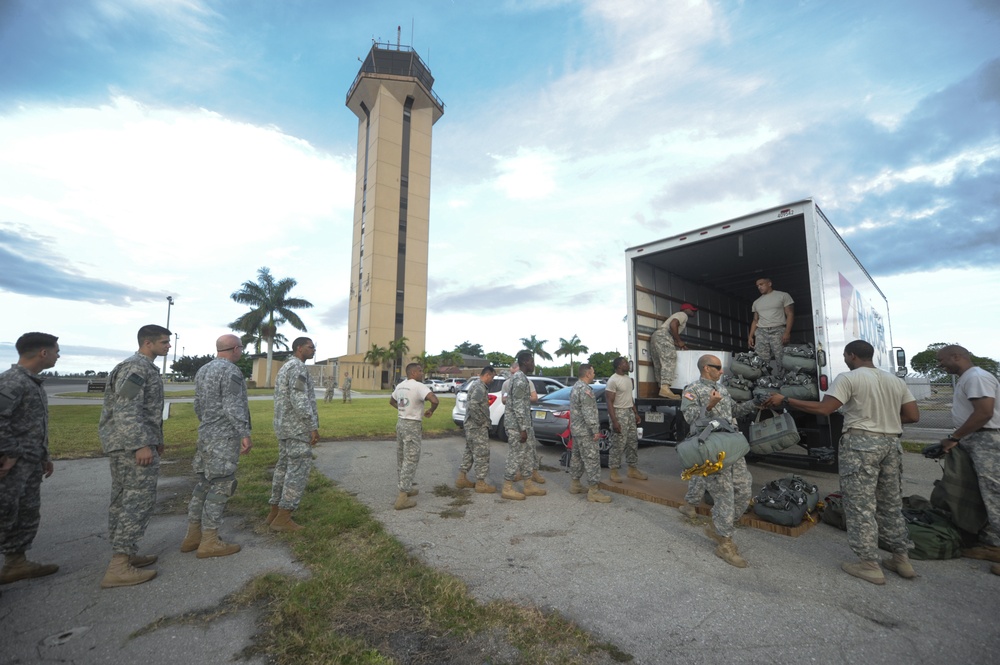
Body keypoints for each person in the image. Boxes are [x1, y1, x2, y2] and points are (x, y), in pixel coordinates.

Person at [764, 340, 919, 584]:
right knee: (890, 503)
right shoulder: (895, 381)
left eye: (846, 355)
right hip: (891, 444)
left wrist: (787, 400)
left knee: (860, 504)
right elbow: (912, 416)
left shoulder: (848, 378)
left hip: (861, 444)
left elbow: (825, 409)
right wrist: (883, 417)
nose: (845, 359)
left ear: (852, 355)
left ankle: (869, 564)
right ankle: (901, 559)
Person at [98, 324, 171, 588]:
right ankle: (118, 565)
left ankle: (126, 554)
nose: (168, 346)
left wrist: (156, 441)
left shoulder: (144, 367)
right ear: (147, 343)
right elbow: (127, 409)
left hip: (130, 444)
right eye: (164, 342)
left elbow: (147, 410)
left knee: (124, 498)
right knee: (135, 500)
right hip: (130, 447)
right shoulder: (135, 368)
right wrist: (140, 444)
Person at [680, 354, 756, 568]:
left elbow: (736, 410)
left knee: (743, 490)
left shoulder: (722, 389)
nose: (722, 371)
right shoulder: (692, 390)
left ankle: (720, 525)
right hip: (713, 449)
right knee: (724, 494)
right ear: (706, 368)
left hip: (732, 446)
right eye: (718, 367)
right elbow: (691, 419)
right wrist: (710, 406)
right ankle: (725, 543)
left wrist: (754, 403)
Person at [180, 335, 252, 558]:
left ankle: (193, 536)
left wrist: (208, 424)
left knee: (203, 483)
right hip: (224, 436)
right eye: (241, 347)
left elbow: (198, 404)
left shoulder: (203, 370)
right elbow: (233, 404)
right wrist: (244, 432)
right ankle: (209, 539)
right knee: (222, 483)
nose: (242, 351)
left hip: (206, 433)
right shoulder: (230, 371)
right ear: (234, 349)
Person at [0, 332, 60, 586]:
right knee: (3, 512)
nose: (58, 355)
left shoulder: (32, 382)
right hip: (10, 464)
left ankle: (16, 563)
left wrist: (43, 456)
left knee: (23, 514)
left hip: (30, 462)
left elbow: (33, 425)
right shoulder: (12, 381)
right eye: (56, 351)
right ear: (43, 353)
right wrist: (9, 452)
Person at [935, 345, 1000, 574]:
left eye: (942, 360)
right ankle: (992, 544)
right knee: (982, 494)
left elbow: (984, 413)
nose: (940, 365)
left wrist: (954, 437)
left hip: (986, 441)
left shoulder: (977, 377)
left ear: (957, 356)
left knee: (994, 494)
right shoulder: (967, 378)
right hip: (974, 439)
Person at [268, 337, 319, 532]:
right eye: (310, 347)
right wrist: (311, 426)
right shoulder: (297, 367)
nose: (313, 350)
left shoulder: (285, 367)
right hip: (297, 428)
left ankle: (274, 511)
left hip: (284, 427)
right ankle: (284, 516)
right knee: (297, 470)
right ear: (299, 348)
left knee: (282, 468)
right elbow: (299, 399)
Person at [389, 363, 438, 510]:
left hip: (401, 422)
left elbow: (392, 401)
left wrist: (404, 409)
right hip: (412, 424)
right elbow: (435, 400)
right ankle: (402, 497)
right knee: (411, 459)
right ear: (414, 372)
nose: (422, 373)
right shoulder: (418, 386)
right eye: (421, 370)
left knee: (402, 457)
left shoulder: (401, 385)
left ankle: (406, 487)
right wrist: (431, 410)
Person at [502, 351, 547, 500]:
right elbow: (518, 406)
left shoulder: (520, 378)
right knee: (515, 455)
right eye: (532, 361)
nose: (534, 364)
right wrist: (522, 428)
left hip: (522, 424)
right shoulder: (520, 380)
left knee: (527, 455)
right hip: (517, 426)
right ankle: (507, 487)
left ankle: (528, 485)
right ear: (526, 362)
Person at [568, 364, 612, 503]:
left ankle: (575, 484)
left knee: (577, 457)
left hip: (577, 430)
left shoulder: (576, 387)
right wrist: (595, 430)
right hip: (585, 431)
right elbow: (588, 412)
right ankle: (593, 491)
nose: (594, 374)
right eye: (593, 372)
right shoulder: (586, 390)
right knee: (592, 459)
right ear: (587, 374)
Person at [456, 365, 497, 493]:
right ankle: (481, 483)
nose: (492, 380)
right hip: (476, 426)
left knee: (469, 451)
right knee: (482, 453)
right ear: (488, 375)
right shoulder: (479, 387)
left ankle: (461, 478)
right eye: (493, 377)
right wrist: (480, 421)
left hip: (471, 425)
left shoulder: (475, 384)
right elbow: (473, 405)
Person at [605, 356, 647, 483]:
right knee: (618, 444)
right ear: (619, 366)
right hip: (618, 412)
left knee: (632, 442)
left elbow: (629, 398)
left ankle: (632, 469)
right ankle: (613, 471)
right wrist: (614, 421)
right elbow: (609, 402)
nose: (627, 364)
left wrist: (635, 413)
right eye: (624, 363)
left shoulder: (628, 379)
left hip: (629, 411)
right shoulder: (613, 380)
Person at [649, 303, 697, 399]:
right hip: (663, 335)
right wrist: (679, 340)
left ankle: (662, 388)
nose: (693, 312)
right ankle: (665, 388)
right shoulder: (683, 315)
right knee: (669, 359)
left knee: (659, 363)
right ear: (686, 309)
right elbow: (673, 324)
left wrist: (678, 343)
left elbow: (670, 334)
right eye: (692, 310)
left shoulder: (677, 315)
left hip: (657, 336)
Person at [748, 278, 794, 377]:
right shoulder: (756, 302)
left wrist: (787, 332)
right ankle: (764, 382)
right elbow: (755, 320)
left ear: (769, 283)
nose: (759, 287)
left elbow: (790, 314)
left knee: (781, 359)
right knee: (761, 360)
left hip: (778, 330)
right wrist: (750, 336)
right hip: (761, 332)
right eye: (757, 286)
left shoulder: (783, 295)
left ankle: (784, 383)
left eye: (762, 284)